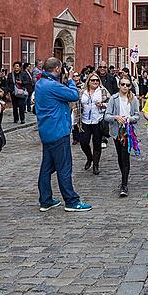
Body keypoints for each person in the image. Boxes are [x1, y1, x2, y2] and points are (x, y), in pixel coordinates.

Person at [34, 57, 91, 212]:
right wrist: (71, 80)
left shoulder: (40, 83)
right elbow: (73, 95)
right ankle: (71, 201)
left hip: (47, 132)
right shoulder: (52, 85)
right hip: (58, 131)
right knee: (64, 167)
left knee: (46, 167)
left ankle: (45, 200)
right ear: (58, 69)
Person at [105, 76, 140, 197]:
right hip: (116, 132)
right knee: (120, 156)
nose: (125, 87)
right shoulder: (113, 99)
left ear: (130, 86)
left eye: (127, 85)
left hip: (128, 131)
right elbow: (107, 116)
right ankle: (123, 176)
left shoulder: (133, 99)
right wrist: (116, 117)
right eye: (123, 84)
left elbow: (137, 116)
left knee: (125, 156)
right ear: (119, 85)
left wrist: (128, 119)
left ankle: (124, 184)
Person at [79, 73, 109, 175]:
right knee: (83, 142)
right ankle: (89, 157)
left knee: (97, 144)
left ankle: (96, 165)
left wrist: (103, 104)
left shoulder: (103, 91)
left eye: (97, 80)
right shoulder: (82, 92)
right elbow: (77, 104)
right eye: (93, 80)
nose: (95, 82)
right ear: (88, 81)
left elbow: (110, 103)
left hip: (98, 120)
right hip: (85, 120)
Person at [96, 61, 117, 148]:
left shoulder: (111, 78)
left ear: (106, 68)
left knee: (105, 121)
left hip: (108, 102)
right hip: (97, 102)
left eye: (104, 67)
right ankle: (98, 137)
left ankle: (104, 138)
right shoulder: (95, 77)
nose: (102, 69)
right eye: (101, 67)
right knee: (98, 121)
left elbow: (115, 91)